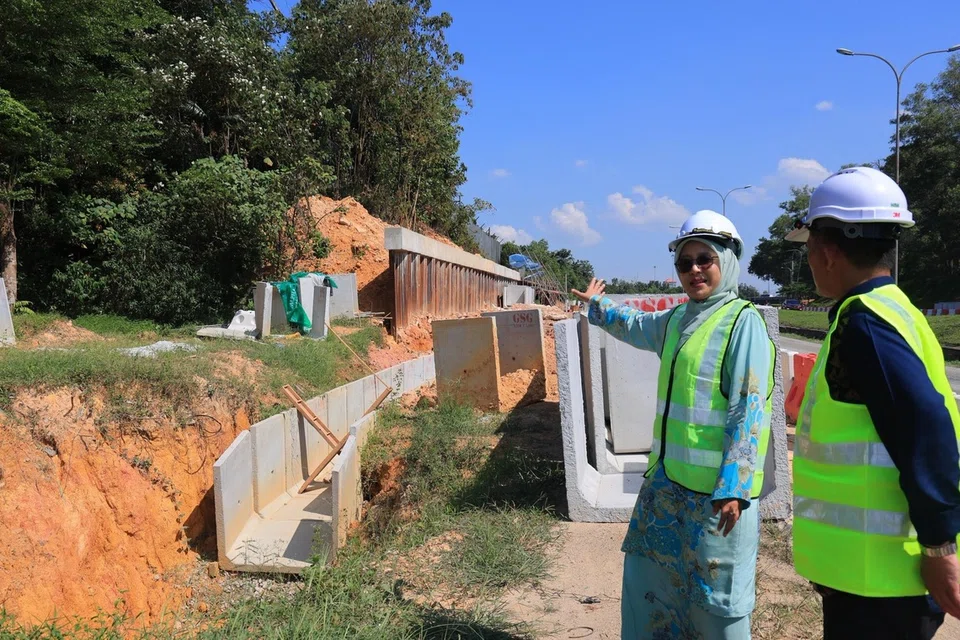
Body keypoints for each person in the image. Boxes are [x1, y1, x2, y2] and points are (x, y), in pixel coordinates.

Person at [571, 210, 776, 639]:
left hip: (716, 502)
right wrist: (597, 306)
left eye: (705, 259)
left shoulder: (743, 324)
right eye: (685, 263)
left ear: (729, 260)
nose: (694, 270)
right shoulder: (679, 319)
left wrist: (735, 487)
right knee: (652, 588)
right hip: (667, 487)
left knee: (715, 605)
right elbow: (635, 325)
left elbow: (749, 409)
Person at [785, 166, 960, 639]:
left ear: (826, 250)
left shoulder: (865, 324)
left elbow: (926, 429)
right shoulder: (895, 308)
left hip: (880, 583)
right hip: (871, 576)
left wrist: (940, 550)